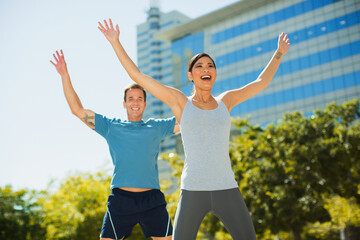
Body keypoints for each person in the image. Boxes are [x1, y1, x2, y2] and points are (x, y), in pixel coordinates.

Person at [98, 18, 290, 240]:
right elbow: (138, 76)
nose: (205, 69)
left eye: (210, 66)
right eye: (199, 66)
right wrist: (115, 42)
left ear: (215, 73)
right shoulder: (180, 102)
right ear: (190, 75)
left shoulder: (225, 101)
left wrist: (279, 54)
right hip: (192, 190)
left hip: (226, 186)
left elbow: (260, 82)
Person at [50, 49, 179, 240]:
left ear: (145, 104)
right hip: (121, 201)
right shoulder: (111, 126)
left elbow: (186, 120)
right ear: (124, 103)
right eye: (131, 99)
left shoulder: (156, 127)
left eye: (139, 99)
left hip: (152, 200)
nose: (135, 102)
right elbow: (77, 110)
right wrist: (64, 75)